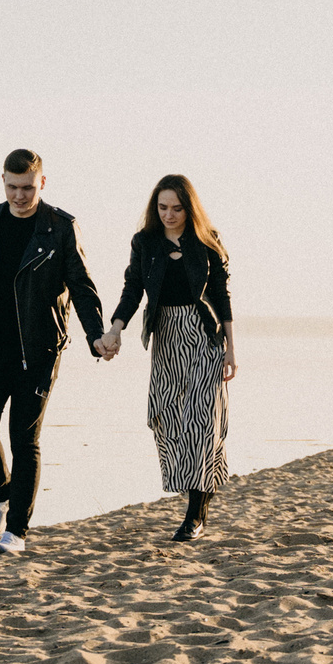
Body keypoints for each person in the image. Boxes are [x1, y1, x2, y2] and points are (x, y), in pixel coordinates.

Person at [0, 149, 110, 557]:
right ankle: (2, 496)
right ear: (2, 181)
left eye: (28, 188)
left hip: (38, 350)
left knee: (24, 439)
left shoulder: (60, 227)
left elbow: (82, 286)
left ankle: (16, 529)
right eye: (13, 187)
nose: (20, 195)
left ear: (42, 183)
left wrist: (96, 336)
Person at [96, 173, 235, 541]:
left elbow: (221, 296)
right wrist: (115, 329)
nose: (169, 215)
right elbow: (133, 289)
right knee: (169, 418)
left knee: (202, 421)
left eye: (176, 208)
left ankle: (195, 516)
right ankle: (199, 492)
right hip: (166, 337)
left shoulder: (207, 241)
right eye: (162, 208)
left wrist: (232, 349)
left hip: (204, 335)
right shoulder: (145, 242)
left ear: (189, 209)